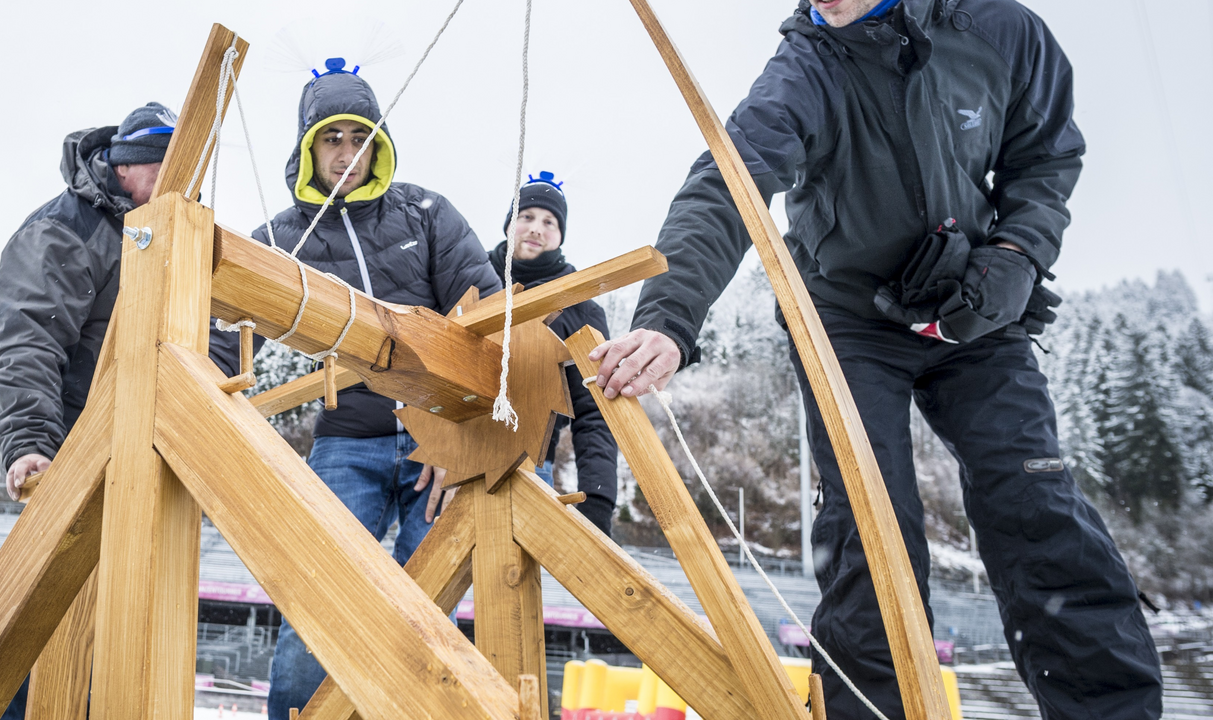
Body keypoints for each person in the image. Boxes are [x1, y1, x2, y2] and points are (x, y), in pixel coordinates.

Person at [589, 1, 1162, 718]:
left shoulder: (998, 28)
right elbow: (726, 183)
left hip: (974, 301)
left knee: (1035, 502)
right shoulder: (805, 69)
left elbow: (1046, 155)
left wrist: (1017, 255)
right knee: (871, 530)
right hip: (848, 318)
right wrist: (669, 320)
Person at [207, 59, 501, 719]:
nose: (346, 153)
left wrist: (469, 436)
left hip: (440, 444)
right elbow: (224, 319)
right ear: (309, 148)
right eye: (331, 138)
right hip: (348, 442)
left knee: (426, 613)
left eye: (359, 137)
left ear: (380, 144)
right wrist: (201, 371)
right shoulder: (288, 237)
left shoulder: (426, 215)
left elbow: (489, 318)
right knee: (319, 602)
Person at [0, 101, 177, 720]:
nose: (173, 179)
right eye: (160, 165)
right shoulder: (65, 227)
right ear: (125, 169)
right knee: (42, 610)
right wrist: (30, 442)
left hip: (142, 451)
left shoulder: (171, 231)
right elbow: (29, 338)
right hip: (73, 440)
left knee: (123, 617)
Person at [484, 172, 617, 535]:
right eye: (526, 217)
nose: (536, 228)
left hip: (530, 457)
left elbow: (595, 409)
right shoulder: (471, 277)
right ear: (509, 224)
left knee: (513, 579)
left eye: (549, 221)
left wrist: (598, 496)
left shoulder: (578, 303)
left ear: (560, 235)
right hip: (450, 449)